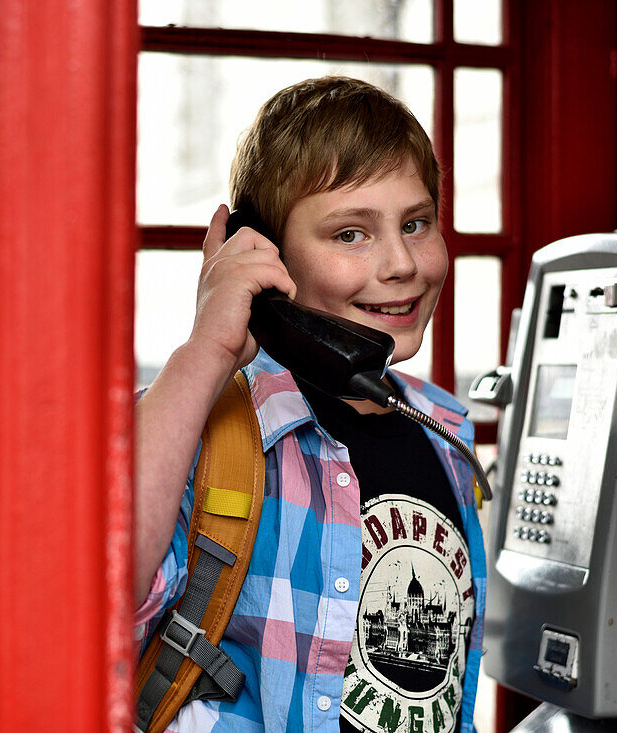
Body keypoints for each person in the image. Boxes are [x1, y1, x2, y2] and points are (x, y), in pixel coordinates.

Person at [135, 76, 486, 733]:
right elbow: (92, 588)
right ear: (263, 254)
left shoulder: (444, 440)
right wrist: (206, 348)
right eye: (351, 234)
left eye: (416, 223)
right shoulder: (208, 431)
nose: (402, 262)